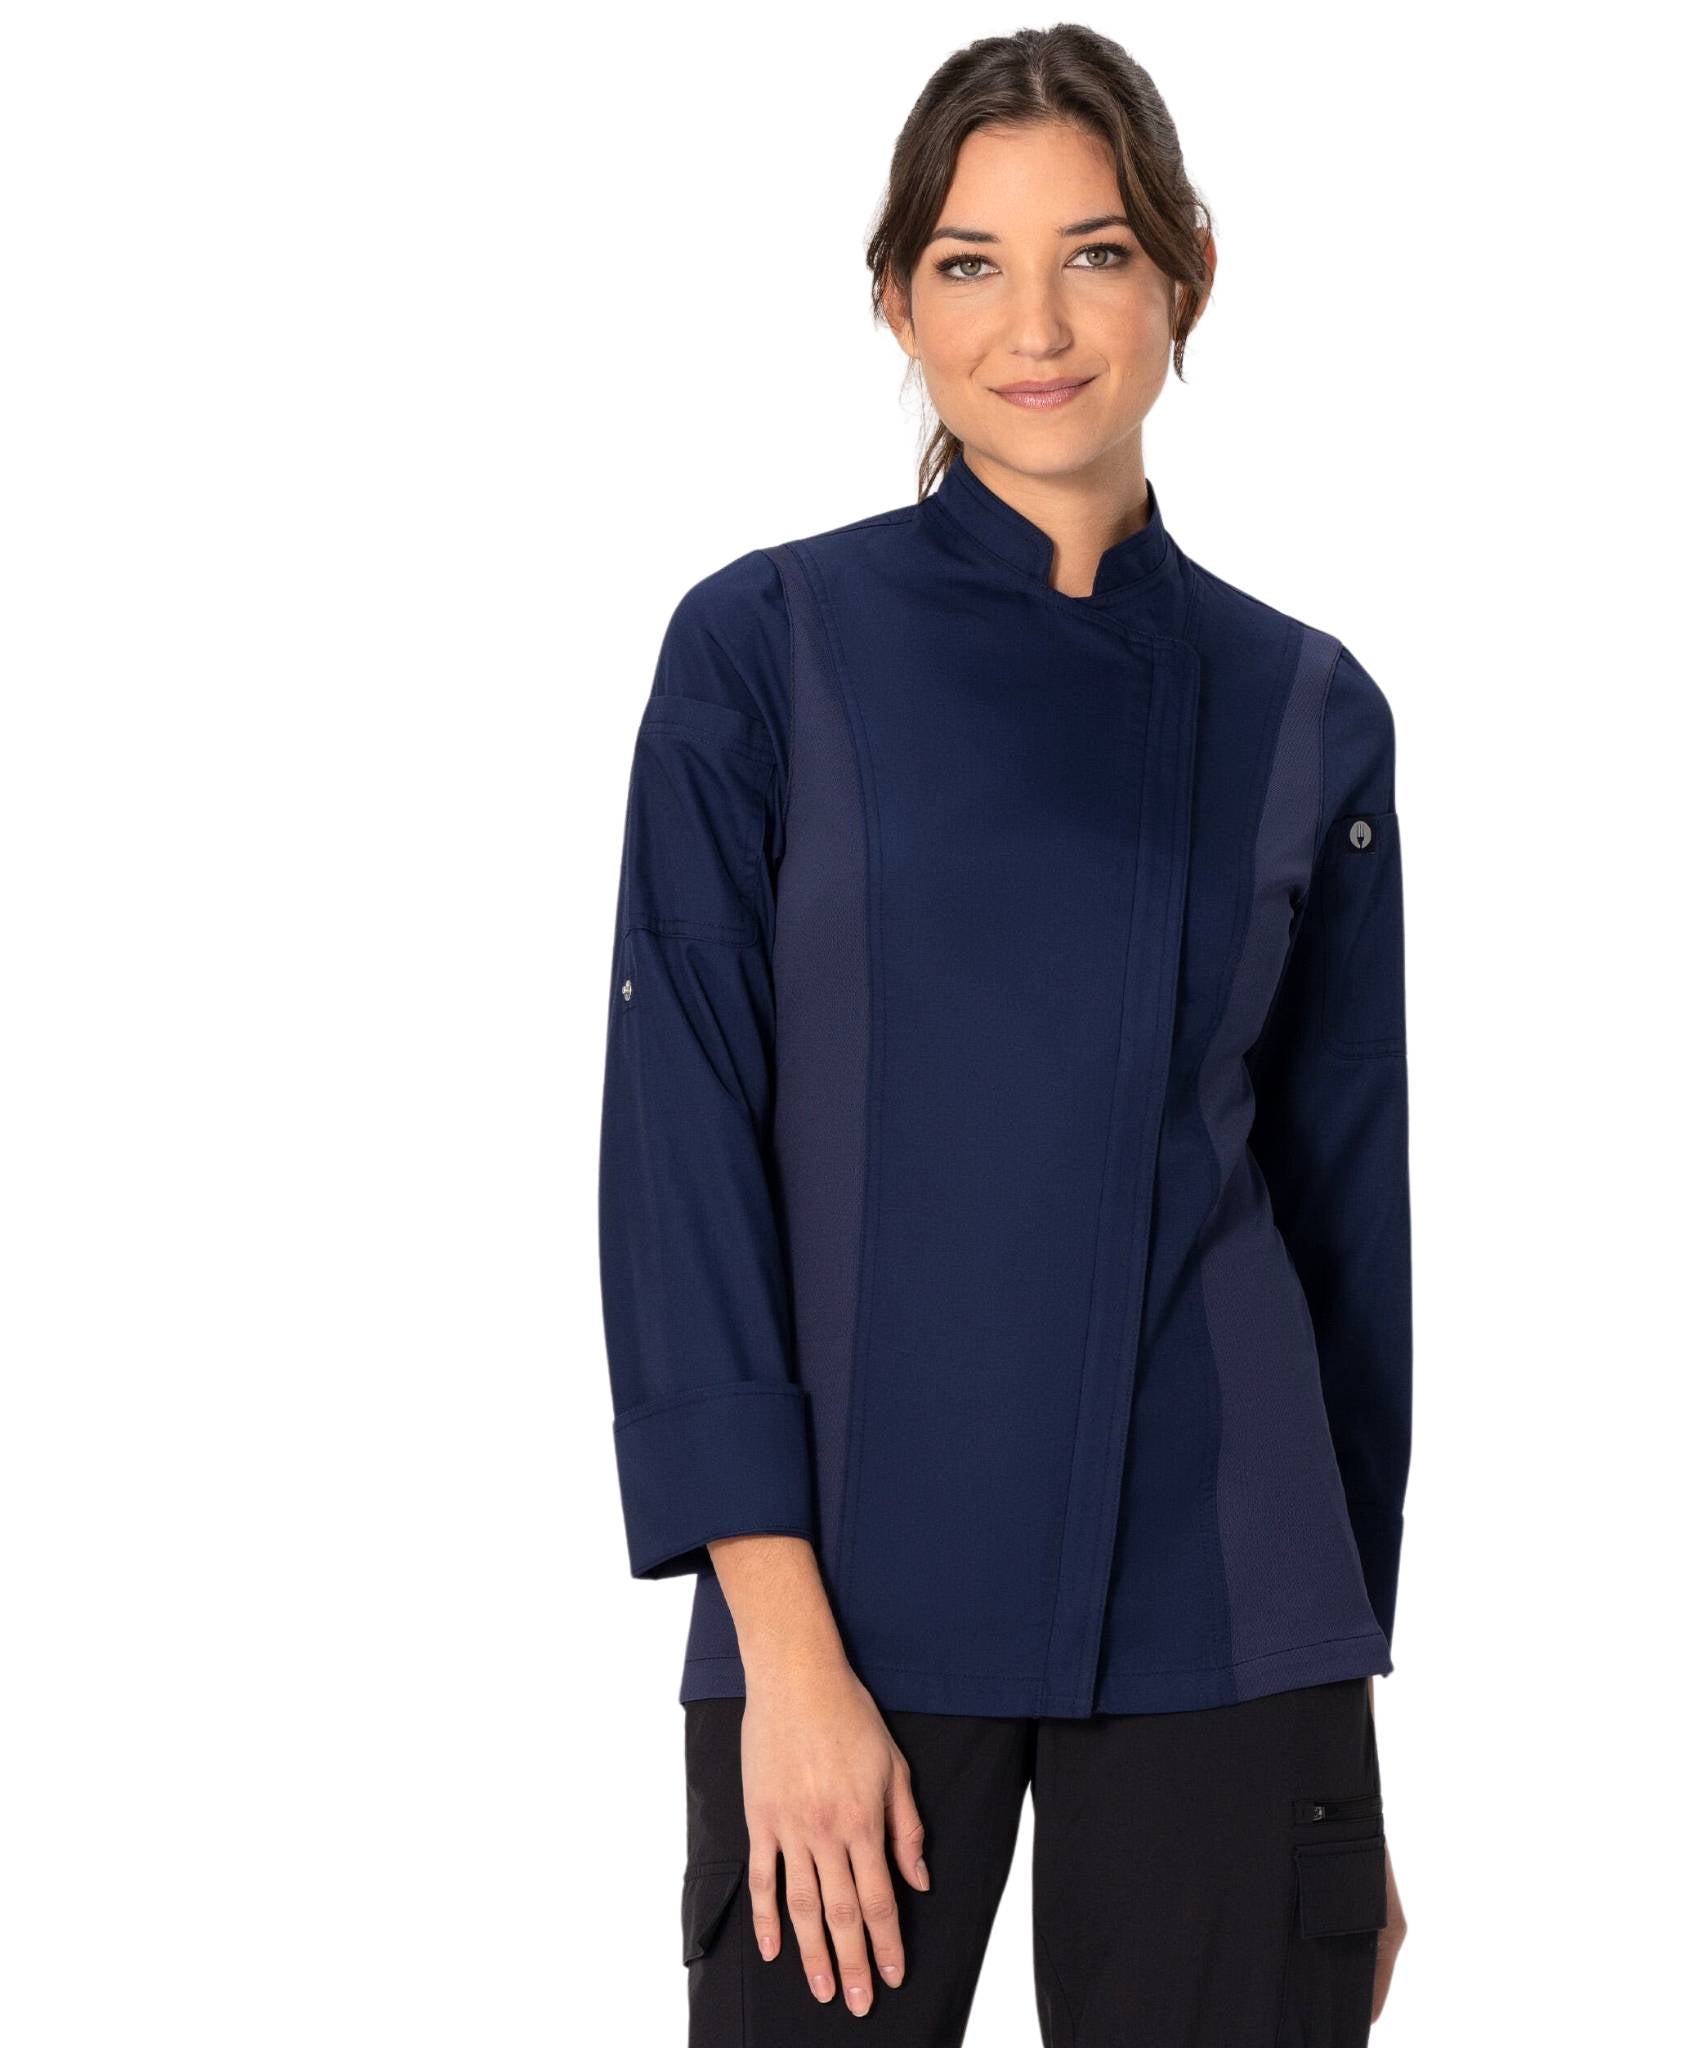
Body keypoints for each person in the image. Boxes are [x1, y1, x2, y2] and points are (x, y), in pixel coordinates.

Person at [598, 25, 1412, 2044]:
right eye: (969, 263)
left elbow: (1345, 1240)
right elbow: (682, 1150)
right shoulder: (763, 652)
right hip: (853, 1612)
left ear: (1189, 273)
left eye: (1096, 253)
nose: (1033, 327)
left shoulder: (1310, 709)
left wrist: (1342, 1702)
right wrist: (782, 1657)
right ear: (896, 298)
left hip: (1228, 1621)